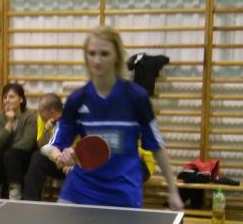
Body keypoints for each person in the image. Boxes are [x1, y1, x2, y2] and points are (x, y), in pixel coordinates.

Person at [42, 26, 183, 210]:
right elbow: (51, 146)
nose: (97, 60)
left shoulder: (136, 97)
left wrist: (173, 190)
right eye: (92, 53)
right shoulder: (77, 99)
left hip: (123, 191)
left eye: (104, 54)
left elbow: (157, 146)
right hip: (82, 189)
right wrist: (60, 156)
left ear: (117, 56)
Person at [0, 82, 37, 199]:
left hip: (24, 155)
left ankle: (15, 192)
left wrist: (8, 151)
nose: (7, 100)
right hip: (7, 153)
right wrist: (9, 123)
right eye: (5, 97)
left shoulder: (30, 116)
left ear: (21, 99)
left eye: (11, 97)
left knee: (10, 155)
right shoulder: (0, 116)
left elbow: (27, 143)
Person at [22, 93, 64, 201]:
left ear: (52, 112)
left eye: (41, 111)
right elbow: (41, 146)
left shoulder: (69, 121)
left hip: (71, 163)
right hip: (55, 160)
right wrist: (47, 131)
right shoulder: (42, 119)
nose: (39, 113)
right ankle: (30, 200)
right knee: (38, 156)